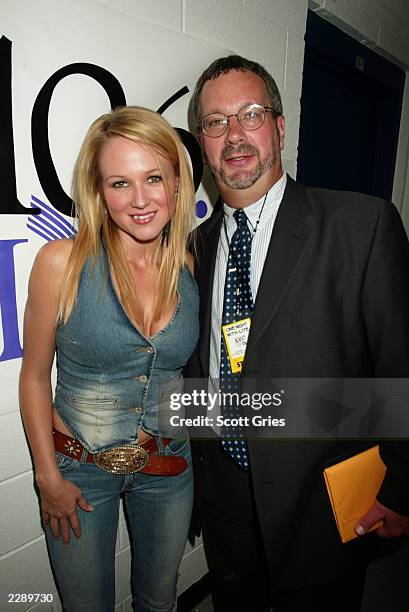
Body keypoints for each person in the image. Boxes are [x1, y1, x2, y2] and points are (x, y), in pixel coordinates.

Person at [188, 55, 409, 611]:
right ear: (202, 141)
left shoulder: (363, 225)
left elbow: (400, 369)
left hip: (325, 503)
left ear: (280, 128)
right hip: (225, 501)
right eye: (216, 123)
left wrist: (402, 489)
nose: (235, 135)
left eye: (251, 114)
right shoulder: (192, 247)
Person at [19, 106, 199, 612]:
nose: (140, 200)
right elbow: (33, 378)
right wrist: (46, 477)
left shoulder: (184, 263)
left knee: (159, 602)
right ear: (99, 191)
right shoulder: (62, 262)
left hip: (168, 465)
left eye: (154, 178)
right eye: (120, 183)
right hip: (78, 471)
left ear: (177, 184)